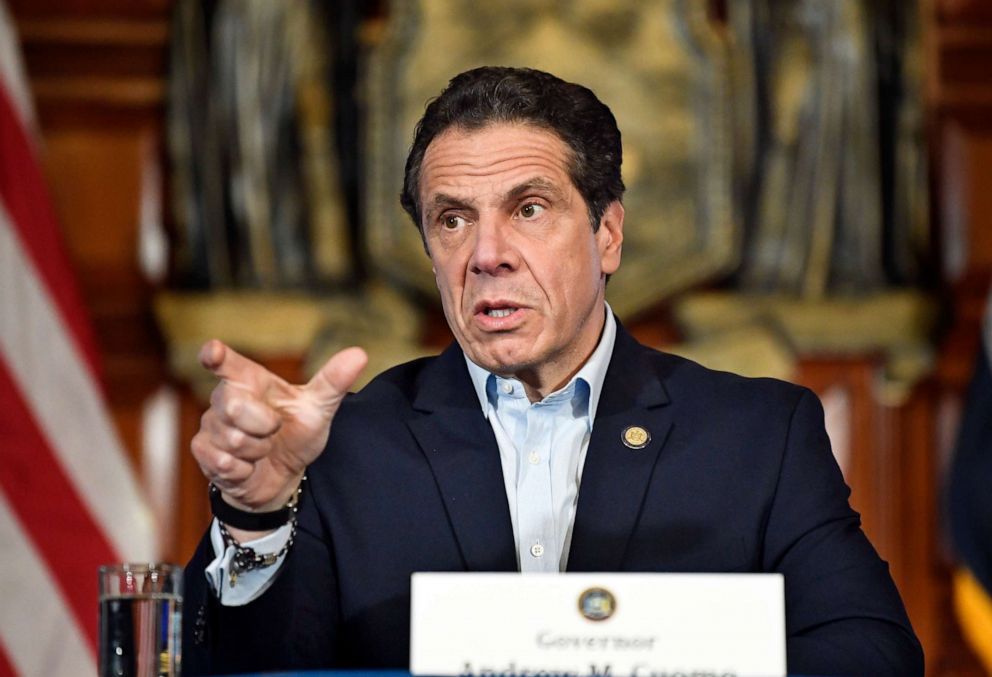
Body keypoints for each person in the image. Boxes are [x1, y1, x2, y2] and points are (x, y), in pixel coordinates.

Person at [183, 66, 923, 676]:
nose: (486, 253)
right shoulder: (341, 447)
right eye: (452, 219)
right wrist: (256, 515)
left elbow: (873, 655)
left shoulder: (759, 435)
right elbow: (236, 669)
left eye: (529, 208)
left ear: (607, 233)